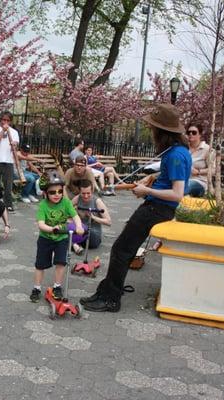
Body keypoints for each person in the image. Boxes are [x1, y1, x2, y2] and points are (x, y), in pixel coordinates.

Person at [80, 104, 191, 312]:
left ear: (162, 131)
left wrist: (146, 191)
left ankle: (111, 299)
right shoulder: (177, 151)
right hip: (156, 207)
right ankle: (108, 290)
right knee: (125, 249)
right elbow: (172, 177)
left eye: (153, 128)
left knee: (121, 249)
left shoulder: (176, 155)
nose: (151, 131)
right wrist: (153, 177)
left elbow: (178, 193)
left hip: (156, 209)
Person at [30, 172, 84, 303]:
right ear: (46, 193)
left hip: (62, 239)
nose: (57, 194)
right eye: (52, 192)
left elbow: (75, 216)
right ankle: (36, 288)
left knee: (61, 262)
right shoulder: (43, 205)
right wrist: (51, 229)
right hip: (45, 239)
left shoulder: (66, 202)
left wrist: (79, 226)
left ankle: (57, 286)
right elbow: (41, 224)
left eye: (60, 191)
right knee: (40, 265)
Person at [70, 179, 111, 254]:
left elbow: (109, 222)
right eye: (83, 193)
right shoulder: (76, 199)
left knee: (68, 237)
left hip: (93, 234)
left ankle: (73, 244)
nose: (86, 196)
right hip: (80, 231)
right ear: (79, 192)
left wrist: (93, 217)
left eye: (88, 193)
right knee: (64, 227)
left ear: (92, 191)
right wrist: (74, 213)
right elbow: (66, 214)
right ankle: (75, 245)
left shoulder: (97, 202)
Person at [0, 111, 19, 213]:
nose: (5, 122)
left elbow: (14, 148)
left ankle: (8, 204)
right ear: (0, 120)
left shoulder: (14, 132)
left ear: (10, 121)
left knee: (8, 185)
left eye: (7, 120)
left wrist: (14, 145)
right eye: (3, 120)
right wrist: (3, 131)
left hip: (8, 162)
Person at [186, 124, 213, 197]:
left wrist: (198, 172)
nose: (191, 134)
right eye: (189, 132)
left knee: (184, 186)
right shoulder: (184, 148)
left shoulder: (207, 149)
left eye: (194, 132)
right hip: (181, 179)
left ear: (200, 135)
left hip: (199, 181)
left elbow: (213, 170)